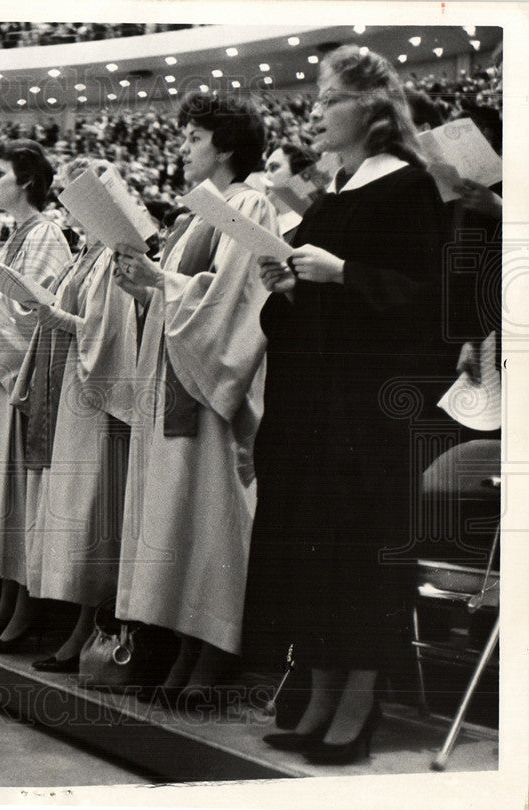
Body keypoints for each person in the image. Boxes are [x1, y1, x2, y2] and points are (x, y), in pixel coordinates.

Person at [252, 45, 447, 764]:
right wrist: (289, 284)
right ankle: (321, 692)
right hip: (316, 402)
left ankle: (359, 703)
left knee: (358, 554)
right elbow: (309, 306)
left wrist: (343, 273)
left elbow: (430, 303)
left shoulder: (409, 187)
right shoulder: (337, 191)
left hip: (367, 410)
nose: (315, 110)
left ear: (368, 107)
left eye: (328, 97)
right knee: (315, 552)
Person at [112, 92, 277, 701]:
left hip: (213, 390)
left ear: (226, 146)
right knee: (177, 518)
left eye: (193, 139)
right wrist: (145, 287)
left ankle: (214, 653)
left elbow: (233, 303)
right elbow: (179, 297)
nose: (181, 150)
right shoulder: (195, 218)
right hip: (176, 381)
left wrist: (163, 284)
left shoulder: (249, 204)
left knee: (211, 522)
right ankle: (182, 646)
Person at [20, 157, 137, 671]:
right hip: (70, 387)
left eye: (73, 191)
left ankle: (90, 631)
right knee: (75, 509)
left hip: (94, 394)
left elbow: (106, 330)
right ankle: (76, 626)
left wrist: (56, 316)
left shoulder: (112, 254)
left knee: (94, 511)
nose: (64, 201)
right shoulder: (85, 254)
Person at [0, 139, 71, 651]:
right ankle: (4, 603)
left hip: (22, 381)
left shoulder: (46, 234)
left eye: (0, 173)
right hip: (2, 377)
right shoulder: (14, 237)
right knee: (1, 497)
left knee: (19, 499)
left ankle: (23, 610)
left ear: (26, 181)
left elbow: (37, 310)